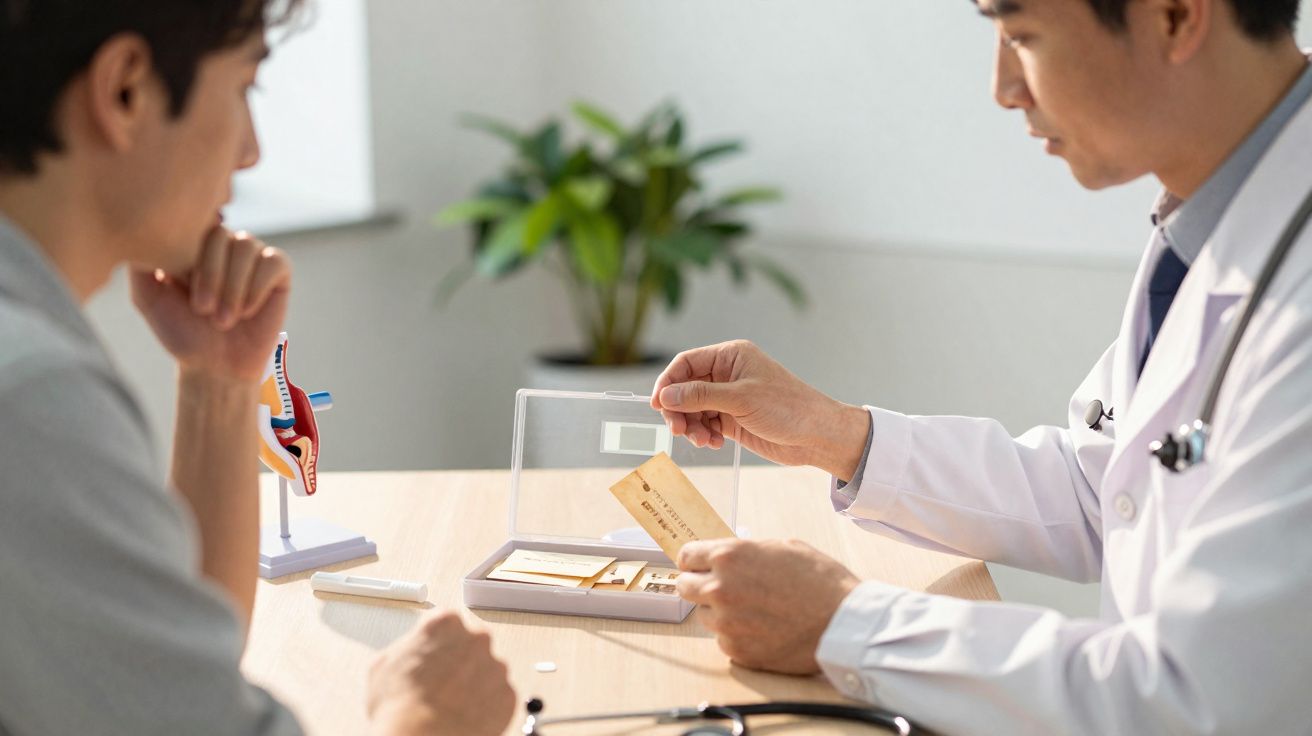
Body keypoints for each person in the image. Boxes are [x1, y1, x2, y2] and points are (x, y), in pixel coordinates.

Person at [651, 0, 1312, 733]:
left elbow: (1194, 701)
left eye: (1022, 36)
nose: (1004, 88)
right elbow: (1103, 490)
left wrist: (846, 623)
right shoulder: (1210, 221)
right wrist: (834, 434)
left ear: (1176, 17)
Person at [0, 2, 513, 734]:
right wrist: (428, 718)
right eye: (244, 88)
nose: (251, 151)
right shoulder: (33, 400)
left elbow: (169, 674)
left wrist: (216, 377)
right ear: (125, 90)